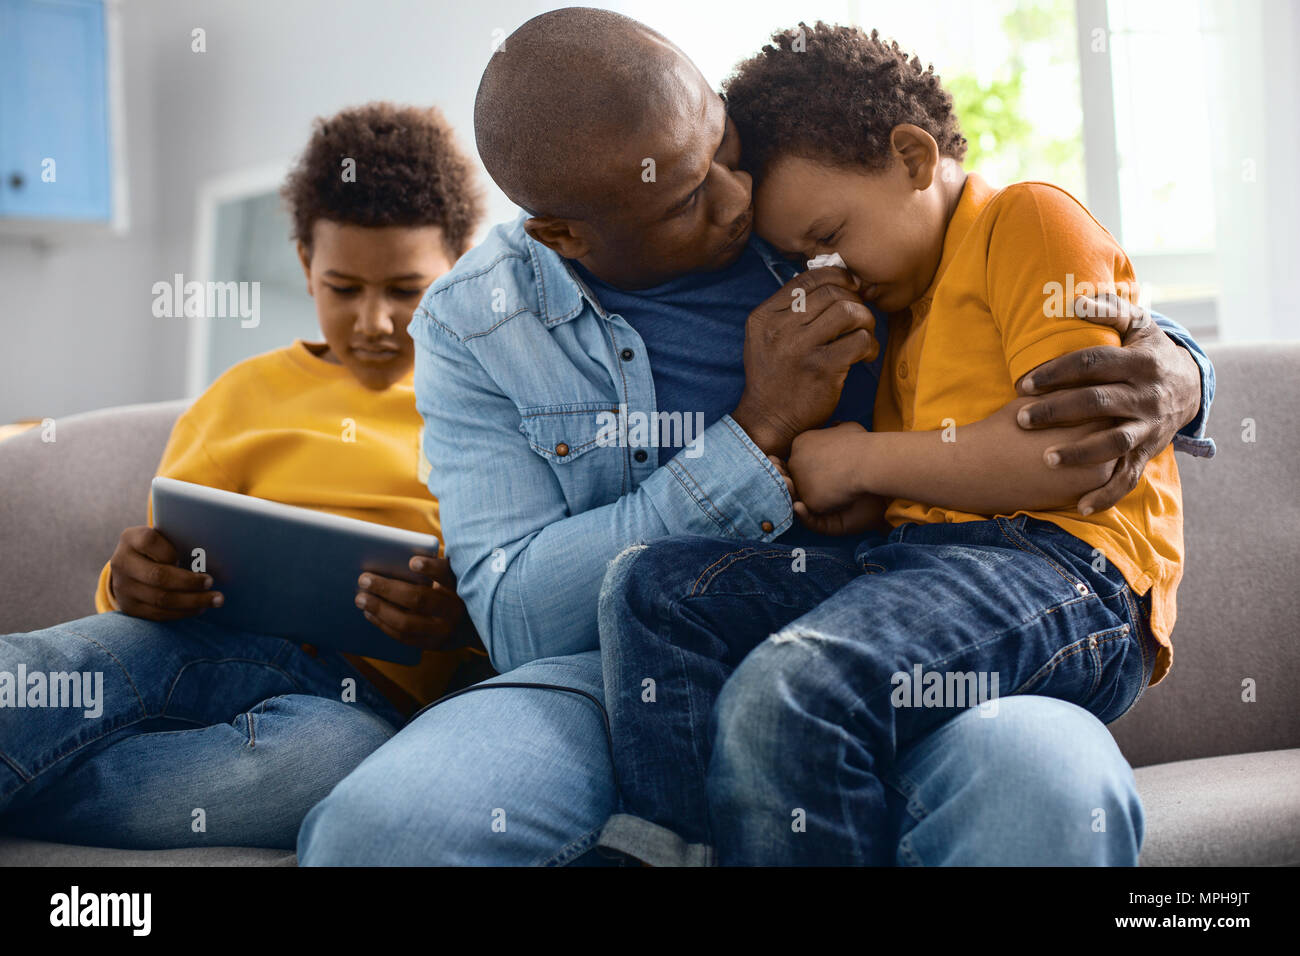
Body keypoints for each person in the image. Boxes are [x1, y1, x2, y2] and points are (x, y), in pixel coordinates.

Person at [298, 9, 1215, 866]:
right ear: (566, 233)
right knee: (375, 834)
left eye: (725, 149)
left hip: (930, 604)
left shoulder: (807, 207)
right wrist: (757, 433)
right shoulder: (477, 322)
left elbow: (1010, 252)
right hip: (632, 663)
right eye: (687, 199)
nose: (738, 203)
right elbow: (522, 620)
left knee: (1039, 786)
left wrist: (1182, 368)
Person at [599, 22, 1195, 865]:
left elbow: (1074, 453)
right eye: (805, 257)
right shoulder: (902, 304)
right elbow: (941, 479)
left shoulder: (1027, 219)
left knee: (792, 688)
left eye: (829, 233)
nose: (828, 269)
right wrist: (859, 504)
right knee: (654, 586)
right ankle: (672, 847)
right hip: (918, 567)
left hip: (1068, 575)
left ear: (913, 157)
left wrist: (859, 458)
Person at [0, 102, 486, 850]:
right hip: (197, 640)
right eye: (344, 288)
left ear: (460, 266)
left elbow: (512, 605)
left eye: (406, 290)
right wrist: (130, 582)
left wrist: (457, 624)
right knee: (53, 667)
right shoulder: (243, 394)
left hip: (357, 701)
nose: (374, 322)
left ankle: (30, 799)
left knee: (318, 769)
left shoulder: (487, 409)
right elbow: (153, 558)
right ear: (305, 266)